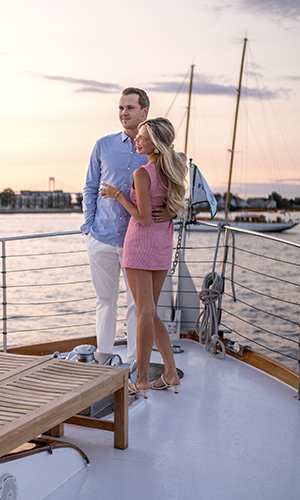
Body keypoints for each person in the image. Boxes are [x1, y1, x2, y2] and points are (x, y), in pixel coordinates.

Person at [99, 117, 186, 395]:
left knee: (144, 312)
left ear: (156, 146)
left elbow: (144, 218)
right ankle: (170, 372)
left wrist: (118, 195)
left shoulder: (142, 173)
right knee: (151, 312)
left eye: (143, 137)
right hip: (162, 246)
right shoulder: (172, 171)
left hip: (140, 246)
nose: (136, 139)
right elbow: (171, 207)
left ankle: (143, 379)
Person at [81, 87, 151, 364]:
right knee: (105, 303)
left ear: (144, 111)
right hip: (101, 237)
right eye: (121, 108)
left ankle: (135, 363)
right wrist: (89, 227)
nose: (124, 113)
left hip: (137, 241)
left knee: (136, 306)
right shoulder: (103, 145)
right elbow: (89, 187)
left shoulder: (154, 151)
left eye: (130, 108)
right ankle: (104, 359)